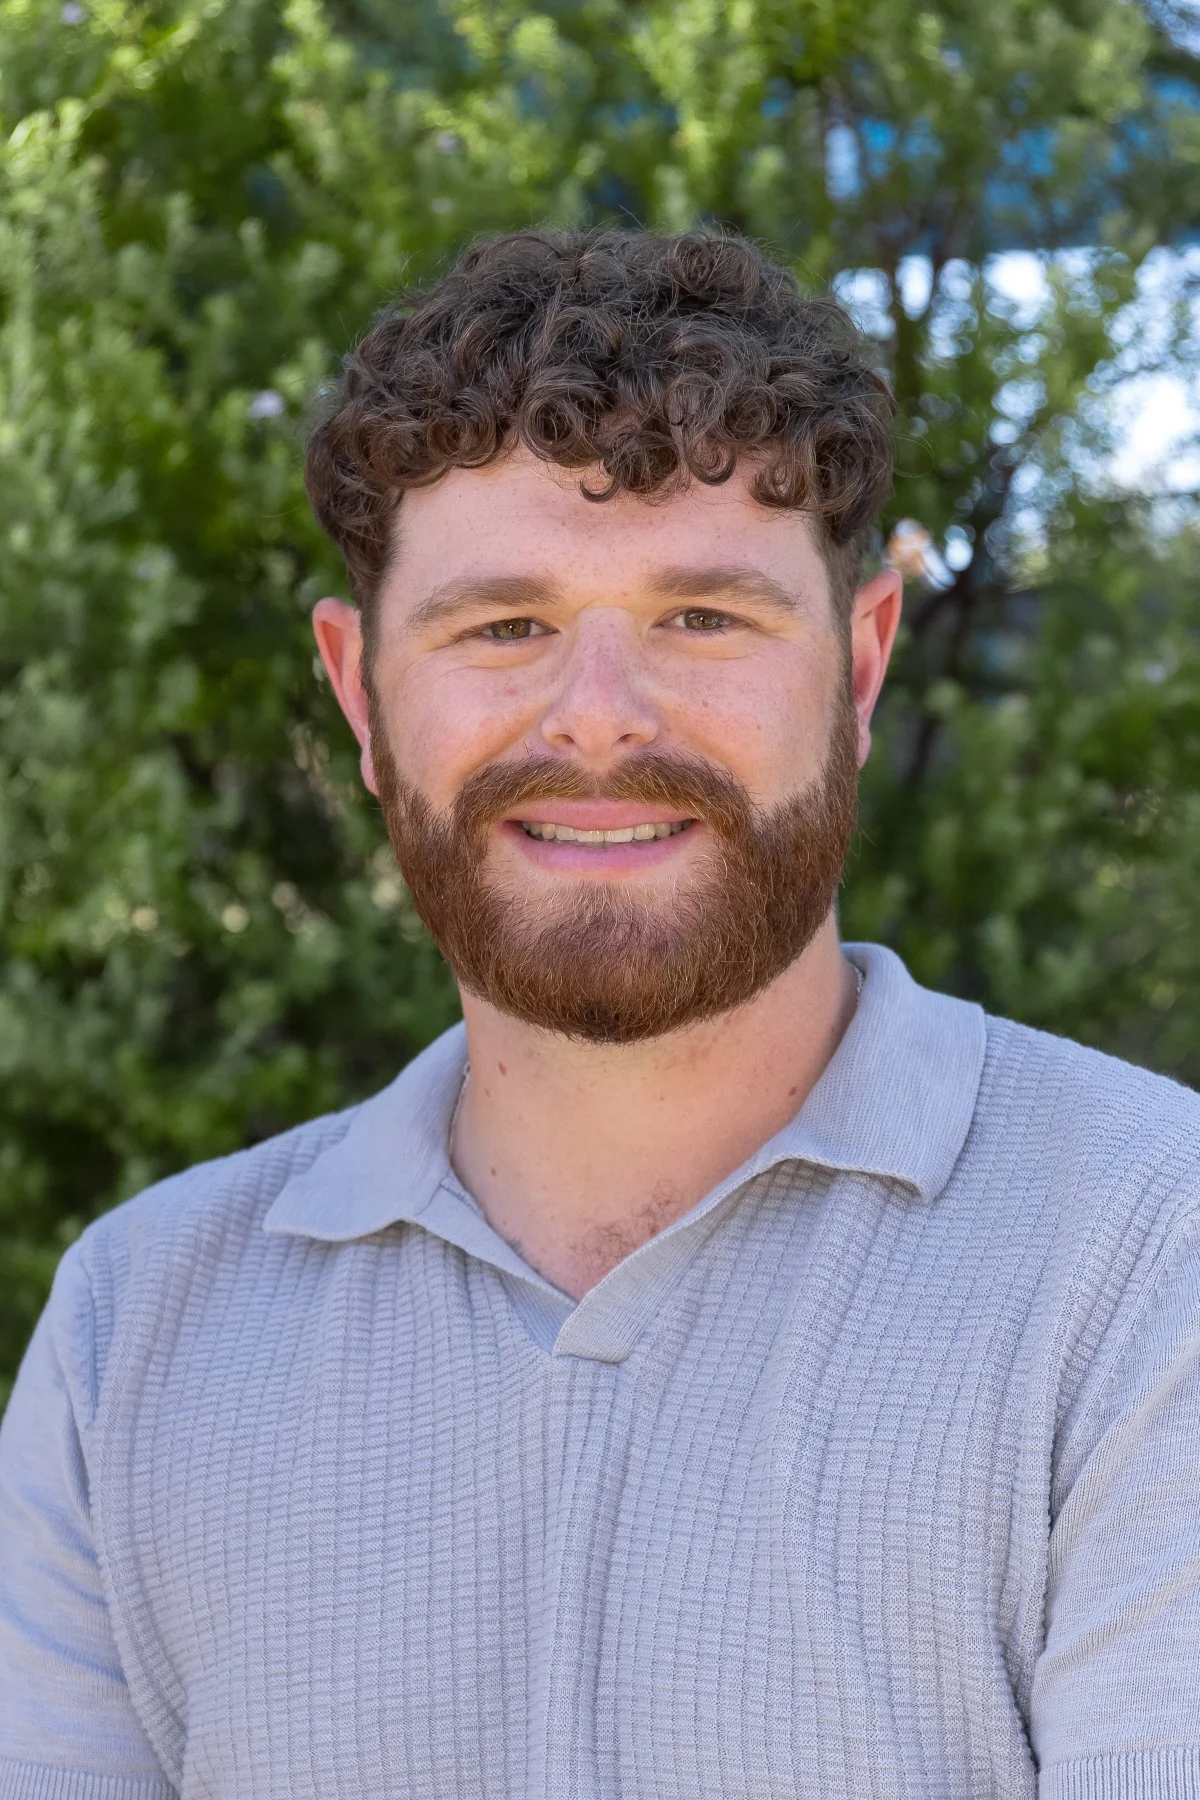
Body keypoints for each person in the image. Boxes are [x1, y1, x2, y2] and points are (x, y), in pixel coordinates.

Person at [1, 229, 1198, 1800]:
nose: (602, 716)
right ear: (361, 696)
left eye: (705, 617)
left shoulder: (1151, 1254)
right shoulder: (135, 1333)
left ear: (862, 659)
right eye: (504, 626)